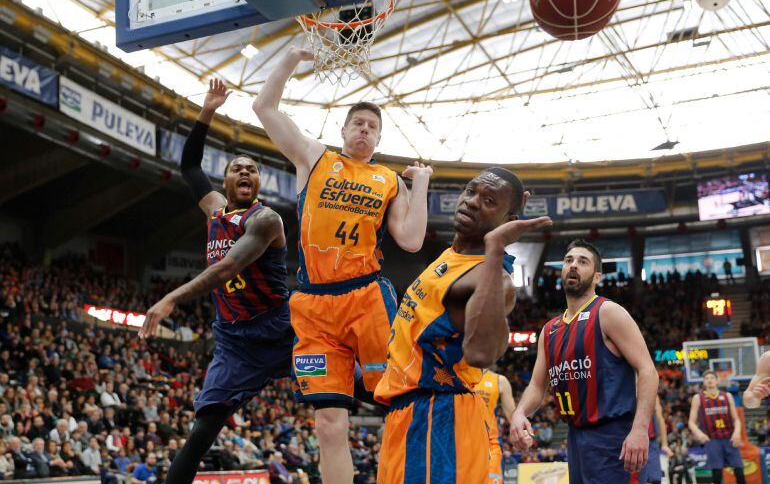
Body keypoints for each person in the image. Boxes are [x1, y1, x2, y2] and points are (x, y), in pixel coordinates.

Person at [253, 47, 433, 483]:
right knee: (328, 423)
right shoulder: (314, 158)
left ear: (378, 139)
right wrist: (293, 58)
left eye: (373, 127)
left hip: (367, 298)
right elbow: (263, 106)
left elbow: (410, 240)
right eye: (358, 123)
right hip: (314, 306)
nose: (365, 130)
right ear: (344, 129)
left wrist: (421, 184)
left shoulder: (388, 180)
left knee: (398, 403)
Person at [140, 79, 294, 484]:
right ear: (225, 182)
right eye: (236, 168)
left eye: (252, 169)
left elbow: (226, 268)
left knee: (352, 388)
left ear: (257, 183)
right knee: (202, 430)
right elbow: (190, 165)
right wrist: (207, 110)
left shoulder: (266, 220)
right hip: (235, 341)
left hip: (282, 330)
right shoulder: (213, 210)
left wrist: (171, 297)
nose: (245, 172)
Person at [374, 168, 551, 483]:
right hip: (412, 412)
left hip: (436, 417)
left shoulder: (493, 278)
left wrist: (495, 249)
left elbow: (483, 353)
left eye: (488, 200)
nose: (471, 202)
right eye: (470, 191)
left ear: (508, 218)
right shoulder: (452, 256)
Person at [510, 239, 659, 484]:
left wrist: (640, 429)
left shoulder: (608, 312)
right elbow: (537, 386)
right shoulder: (549, 330)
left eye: (583, 261)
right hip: (576, 438)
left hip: (613, 436)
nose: (573, 266)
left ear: (597, 276)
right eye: (568, 261)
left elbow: (647, 371)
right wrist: (519, 412)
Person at [688, 370, 745, 484]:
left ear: (717, 381)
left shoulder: (727, 396)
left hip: (729, 438)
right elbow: (691, 422)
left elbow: (736, 419)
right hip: (712, 439)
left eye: (712, 378)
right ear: (704, 382)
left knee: (739, 471)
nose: (709, 380)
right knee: (717, 474)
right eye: (707, 378)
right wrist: (700, 434)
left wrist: (737, 432)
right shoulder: (698, 398)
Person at [474, 369, 516, 484]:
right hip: (462, 444)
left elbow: (513, 417)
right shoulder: (458, 376)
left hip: (490, 444)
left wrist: (522, 433)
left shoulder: (500, 381)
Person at [639, 397, 673, 484]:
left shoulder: (652, 392)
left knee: (655, 480)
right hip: (633, 442)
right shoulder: (625, 389)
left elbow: (660, 419)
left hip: (651, 442)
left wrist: (664, 444)